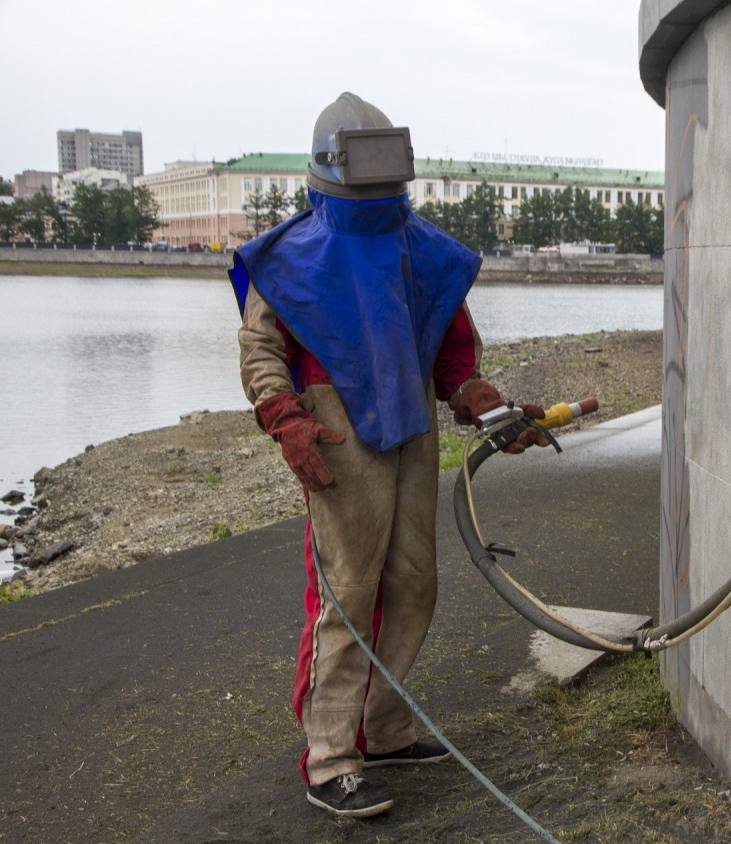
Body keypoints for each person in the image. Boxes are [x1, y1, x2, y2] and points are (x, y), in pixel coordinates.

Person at [230, 92, 547, 819]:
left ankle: (383, 729)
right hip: (336, 429)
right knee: (347, 590)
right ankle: (329, 757)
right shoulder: (291, 254)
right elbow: (261, 346)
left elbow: (452, 349)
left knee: (412, 581)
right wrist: (284, 416)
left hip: (411, 425)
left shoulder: (419, 246)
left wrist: (479, 397)